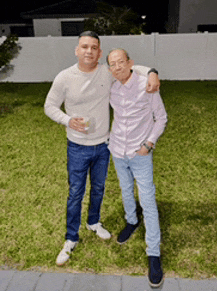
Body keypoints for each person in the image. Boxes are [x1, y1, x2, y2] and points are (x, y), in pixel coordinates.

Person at [44, 31, 160, 267]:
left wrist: (152, 72)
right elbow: (49, 106)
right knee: (76, 192)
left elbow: (130, 68)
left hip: (105, 145)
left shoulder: (107, 73)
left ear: (99, 52)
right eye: (84, 46)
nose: (89, 51)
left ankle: (93, 222)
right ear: (77, 50)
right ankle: (71, 238)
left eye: (94, 47)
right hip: (77, 145)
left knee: (98, 188)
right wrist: (67, 120)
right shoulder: (65, 77)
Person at [107, 48, 167, 288]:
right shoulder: (111, 87)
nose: (117, 67)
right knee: (124, 189)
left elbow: (161, 118)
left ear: (130, 62)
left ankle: (154, 254)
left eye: (121, 62)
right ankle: (131, 221)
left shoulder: (147, 85)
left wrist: (149, 143)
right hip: (117, 151)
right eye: (113, 64)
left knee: (148, 200)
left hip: (140, 153)